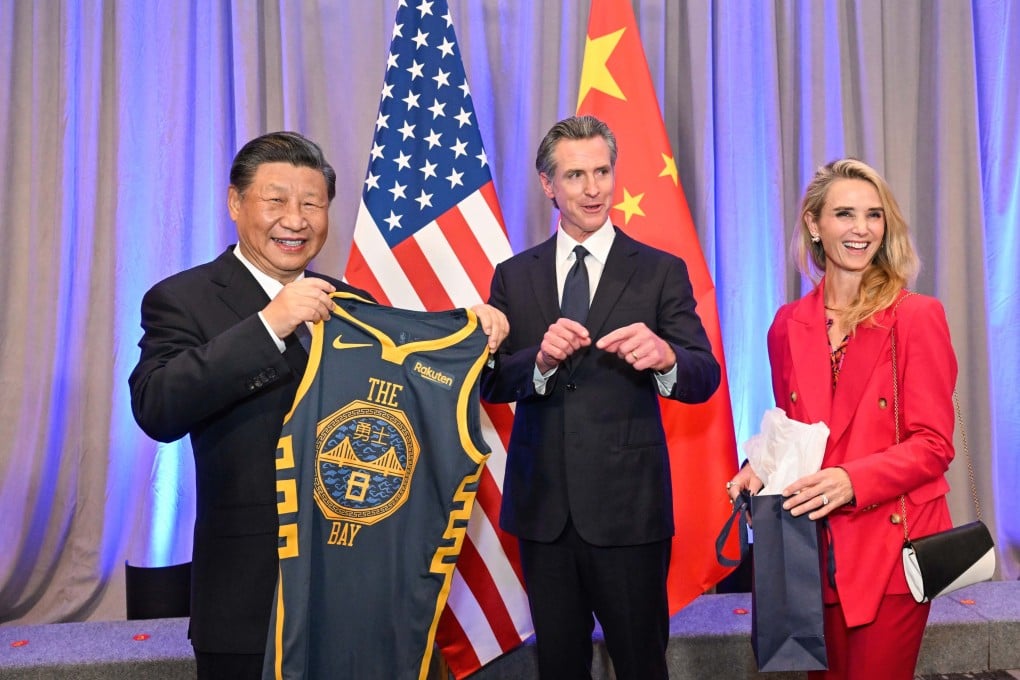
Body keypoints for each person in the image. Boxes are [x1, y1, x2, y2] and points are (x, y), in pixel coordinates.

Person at [128, 131, 508, 679]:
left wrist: (476, 342)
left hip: (352, 592)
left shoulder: (350, 303)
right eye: (276, 200)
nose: (295, 219)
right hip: (247, 600)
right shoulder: (182, 298)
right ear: (235, 203)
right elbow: (157, 407)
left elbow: (408, 402)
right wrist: (270, 325)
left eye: (312, 204)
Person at [480, 115, 721, 680]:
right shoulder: (513, 276)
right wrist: (538, 362)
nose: (593, 189)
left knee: (641, 664)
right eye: (575, 175)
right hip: (544, 516)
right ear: (548, 184)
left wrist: (665, 356)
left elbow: (704, 373)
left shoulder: (660, 271)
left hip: (630, 514)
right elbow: (491, 380)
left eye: (602, 172)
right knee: (559, 667)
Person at [727, 158, 957, 680]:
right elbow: (795, 432)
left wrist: (853, 480)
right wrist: (758, 467)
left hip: (891, 552)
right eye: (845, 214)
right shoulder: (787, 324)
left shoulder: (916, 316)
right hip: (812, 553)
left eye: (874, 215)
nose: (862, 228)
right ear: (814, 223)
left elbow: (933, 444)